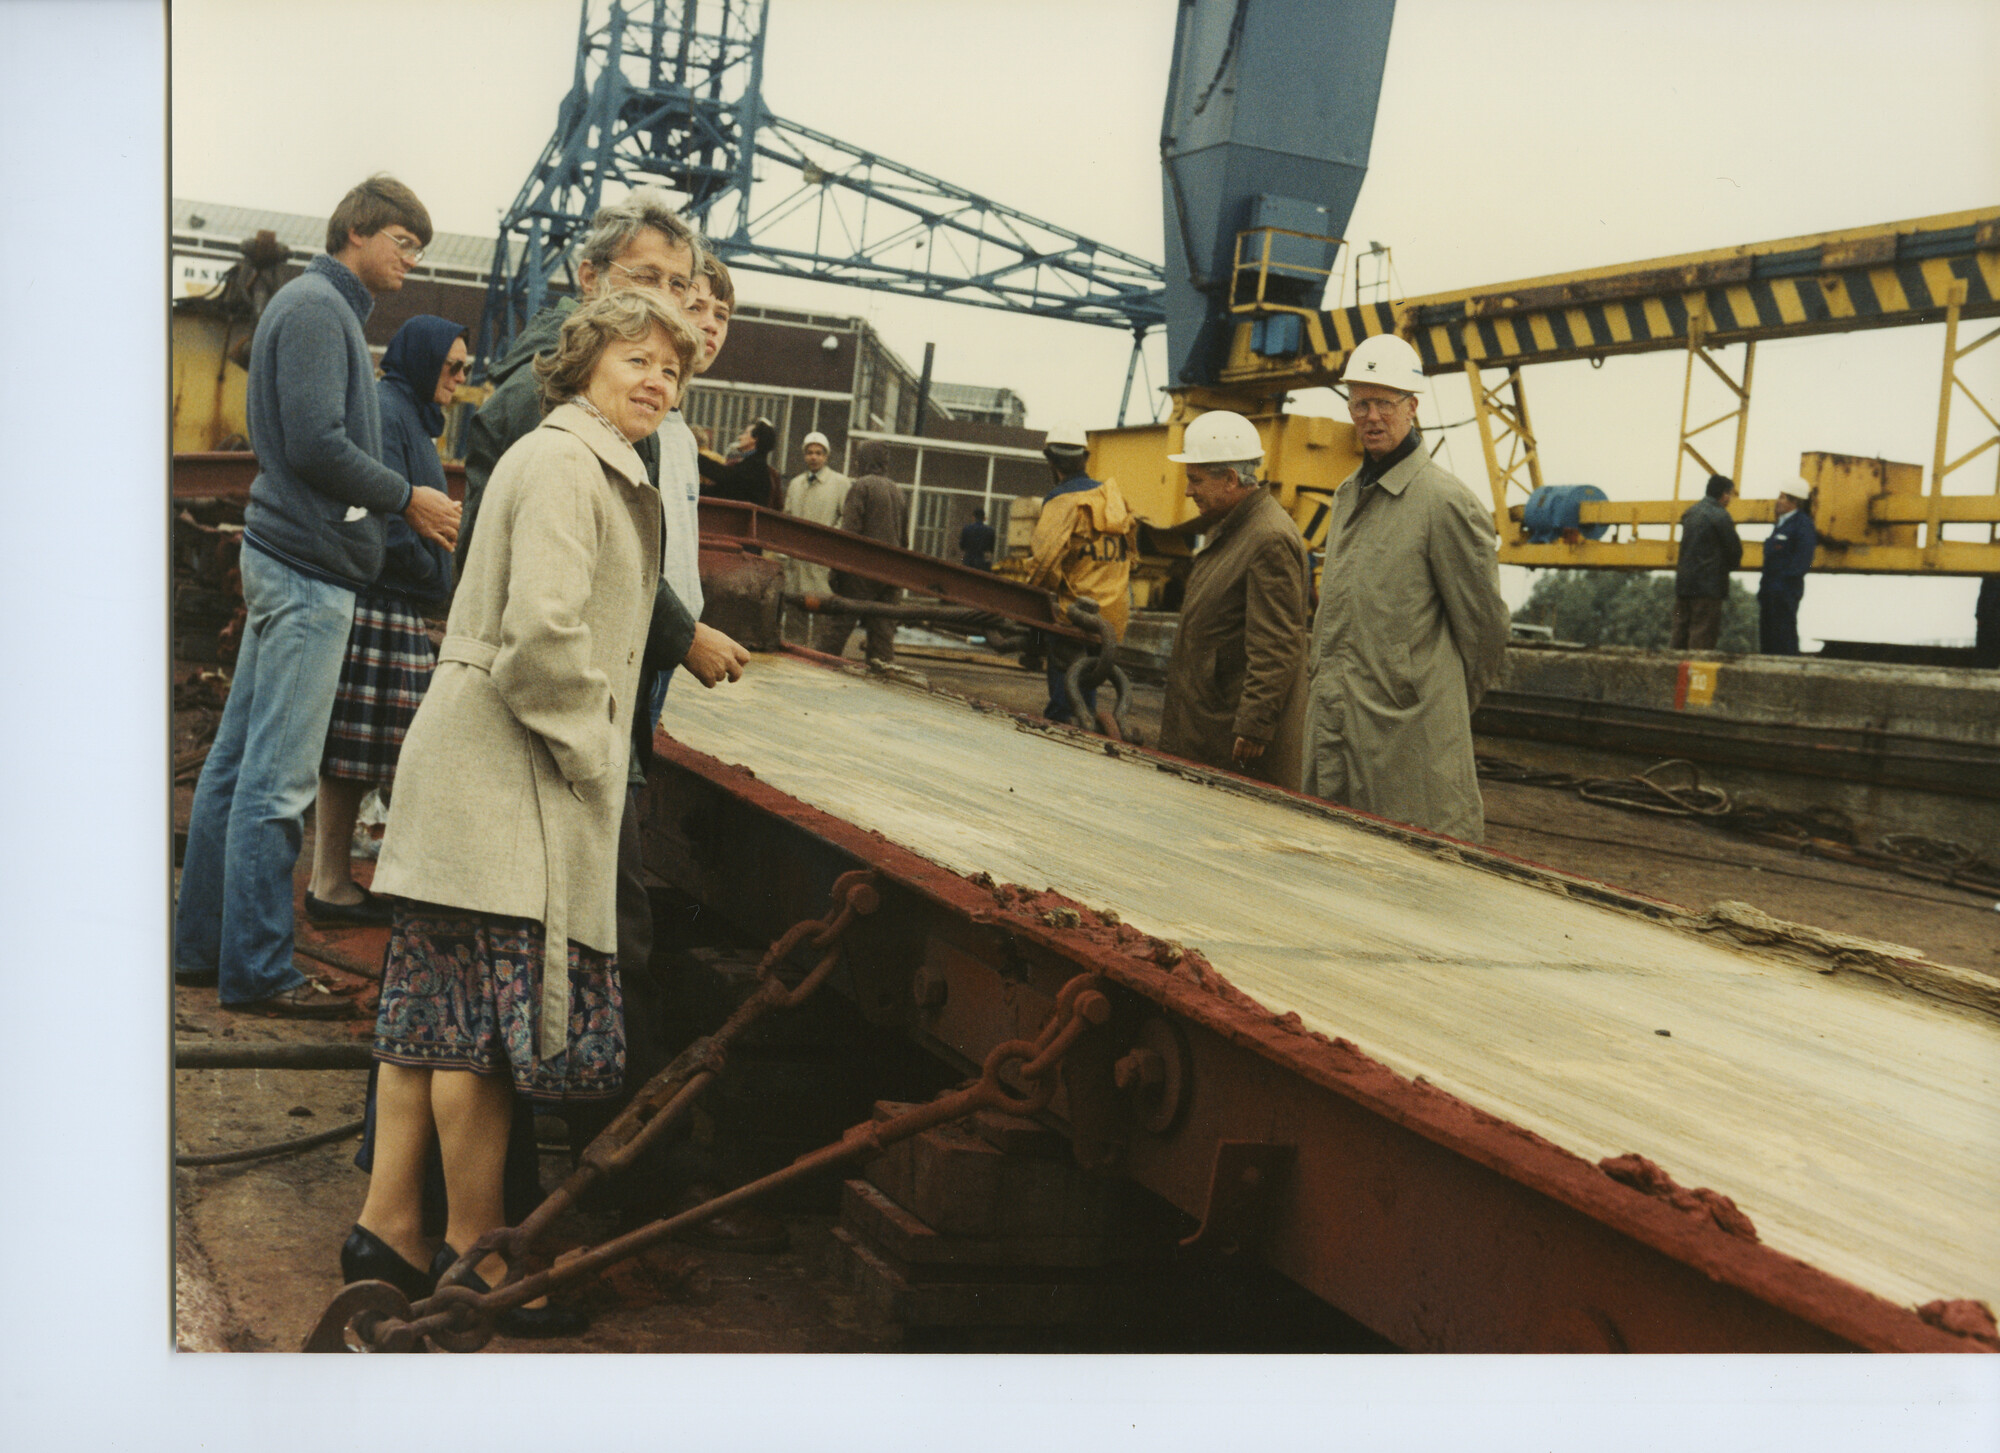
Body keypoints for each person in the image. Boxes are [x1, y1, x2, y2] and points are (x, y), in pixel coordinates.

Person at [344, 290, 699, 1335]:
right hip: (508, 771)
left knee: (426, 1024)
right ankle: (477, 1253)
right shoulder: (564, 466)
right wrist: (598, 755)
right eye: (637, 359)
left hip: (478, 770)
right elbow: (544, 642)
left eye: (672, 373)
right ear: (584, 359)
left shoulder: (569, 459)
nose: (656, 383)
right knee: (478, 1040)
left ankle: (388, 1229)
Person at [174, 175, 459, 1017]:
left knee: (232, 770)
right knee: (279, 782)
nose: (410, 261)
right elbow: (314, 442)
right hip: (307, 572)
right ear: (358, 232)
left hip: (294, 561)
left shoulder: (317, 308)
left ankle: (202, 950)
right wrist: (410, 496)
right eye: (404, 243)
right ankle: (259, 968)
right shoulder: (315, 310)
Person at [1302, 333, 1510, 842]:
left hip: (1408, 748)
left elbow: (1484, 633)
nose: (1372, 417)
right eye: (1360, 403)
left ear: (1412, 407)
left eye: (1385, 404)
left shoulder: (1445, 503)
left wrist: (1430, 707)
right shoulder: (1348, 495)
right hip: (1335, 728)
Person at [306, 315, 464, 925]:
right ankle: (336, 884)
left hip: (395, 600)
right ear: (422, 360)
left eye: (464, 369)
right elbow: (378, 509)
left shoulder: (409, 414)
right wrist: (430, 571)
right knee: (384, 753)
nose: (458, 379)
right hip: (385, 600)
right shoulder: (388, 409)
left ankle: (334, 881)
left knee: (356, 754)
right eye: (451, 366)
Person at [1157, 412, 1309, 789]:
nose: (1189, 491)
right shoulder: (1234, 528)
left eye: (1195, 480)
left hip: (1230, 740)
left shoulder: (1267, 538)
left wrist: (1254, 727)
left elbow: (1277, 644)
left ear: (1229, 479)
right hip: (1211, 722)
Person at [1024, 419, 1136, 727]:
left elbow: (1043, 565)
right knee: (1085, 678)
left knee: (1067, 690)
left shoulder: (1062, 502)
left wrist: (1027, 593)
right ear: (1085, 459)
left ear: (1051, 461)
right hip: (1112, 614)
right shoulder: (1114, 499)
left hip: (1076, 614)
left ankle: (1069, 727)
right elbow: (1133, 555)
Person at [828, 441, 910, 664]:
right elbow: (904, 540)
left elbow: (849, 532)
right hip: (890, 573)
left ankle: (817, 668)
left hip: (861, 571)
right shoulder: (898, 491)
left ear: (864, 461)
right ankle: (882, 679)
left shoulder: (861, 486)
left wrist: (836, 570)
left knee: (839, 626)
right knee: (882, 634)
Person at [781, 430, 852, 650]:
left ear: (826, 456)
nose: (814, 457)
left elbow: (846, 518)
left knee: (824, 610)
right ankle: (793, 650)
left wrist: (829, 540)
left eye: (819, 453)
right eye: (810, 452)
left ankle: (824, 653)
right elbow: (788, 516)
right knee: (795, 608)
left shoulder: (840, 483)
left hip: (823, 560)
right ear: (804, 455)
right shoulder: (796, 484)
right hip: (798, 560)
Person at [1672, 474, 1742, 651]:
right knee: (1701, 639)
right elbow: (1734, 552)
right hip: (1708, 590)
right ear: (1725, 494)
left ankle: (1672, 675)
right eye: (1730, 495)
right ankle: (1693, 678)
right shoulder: (1721, 516)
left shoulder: (1690, 513)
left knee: (1679, 635)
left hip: (1684, 586)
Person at [1759, 479, 1818, 655]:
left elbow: (1803, 561)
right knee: (1768, 640)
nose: (1778, 501)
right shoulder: (1781, 525)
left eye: (1782, 497)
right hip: (1769, 591)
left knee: (1783, 639)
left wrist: (1784, 584)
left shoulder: (1803, 525)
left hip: (1784, 592)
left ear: (1795, 501)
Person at [702, 416, 782, 508]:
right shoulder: (758, 466)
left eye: (745, 433)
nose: (740, 437)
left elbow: (723, 476)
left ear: (754, 438)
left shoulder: (753, 467)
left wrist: (693, 456)